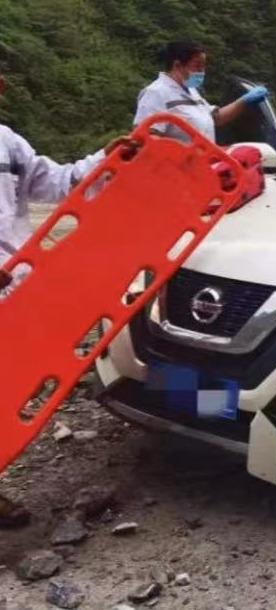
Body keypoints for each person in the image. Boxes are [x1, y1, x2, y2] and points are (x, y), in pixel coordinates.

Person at [0, 72, 132, 529]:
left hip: (13, 286)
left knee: (9, 387)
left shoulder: (6, 143)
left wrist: (107, 160)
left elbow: (58, 183)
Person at [134, 41, 268, 142]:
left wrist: (245, 101)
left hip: (200, 167)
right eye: (197, 66)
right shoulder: (156, 93)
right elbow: (147, 138)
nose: (202, 72)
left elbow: (216, 118)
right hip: (175, 170)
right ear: (177, 65)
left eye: (204, 67)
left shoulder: (191, 91)